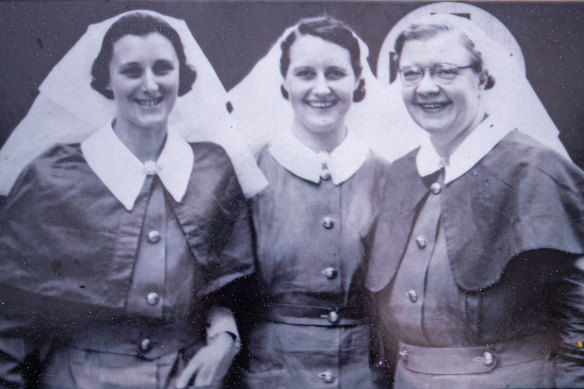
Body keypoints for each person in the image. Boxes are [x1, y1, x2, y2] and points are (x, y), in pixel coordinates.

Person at [0, 11, 255, 388]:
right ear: (107, 81)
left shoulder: (212, 168)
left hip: (182, 378)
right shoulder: (53, 176)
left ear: (181, 77)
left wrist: (224, 339)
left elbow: (227, 286)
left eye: (163, 68)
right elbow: (12, 317)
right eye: (132, 71)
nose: (150, 85)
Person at [366, 13, 584, 388]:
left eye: (445, 72)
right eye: (412, 73)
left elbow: (579, 312)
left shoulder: (535, 169)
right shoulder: (400, 173)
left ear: (482, 79)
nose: (426, 87)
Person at [229, 16, 391, 388]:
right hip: (271, 372)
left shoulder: (385, 174)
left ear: (358, 81)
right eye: (305, 74)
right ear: (285, 83)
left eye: (335, 73)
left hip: (363, 373)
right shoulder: (250, 170)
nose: (321, 89)